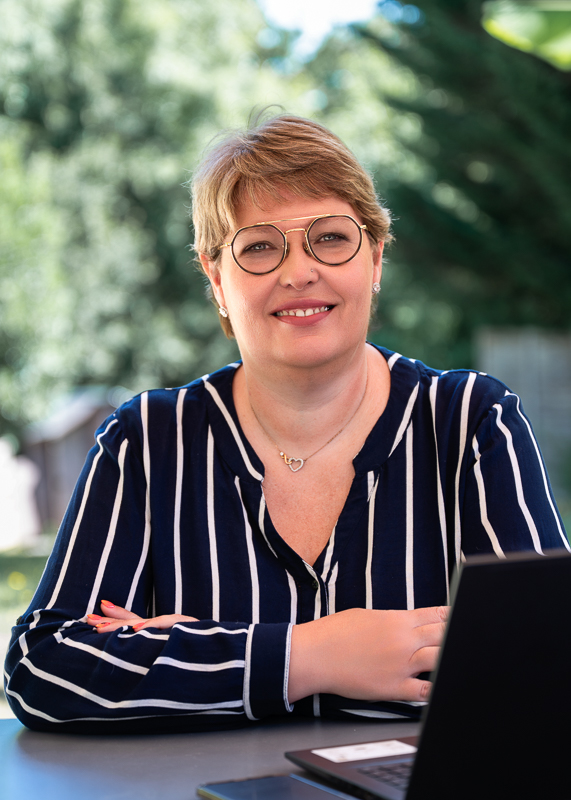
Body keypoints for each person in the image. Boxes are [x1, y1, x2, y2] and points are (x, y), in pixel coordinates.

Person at [4, 116, 568, 734]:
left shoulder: (470, 421)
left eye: (330, 238)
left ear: (376, 259)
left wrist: (192, 657)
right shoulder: (147, 442)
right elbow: (43, 671)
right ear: (217, 279)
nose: (299, 272)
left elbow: (547, 659)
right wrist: (307, 656)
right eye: (259, 247)